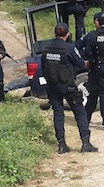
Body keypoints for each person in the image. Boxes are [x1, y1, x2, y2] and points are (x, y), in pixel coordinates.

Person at [41, 22, 98, 154]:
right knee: (80, 112)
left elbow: (44, 67)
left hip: (52, 86)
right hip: (68, 86)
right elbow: (81, 64)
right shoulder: (69, 48)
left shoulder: (47, 48)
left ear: (55, 33)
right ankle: (85, 143)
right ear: (67, 34)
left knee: (58, 114)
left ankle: (61, 145)